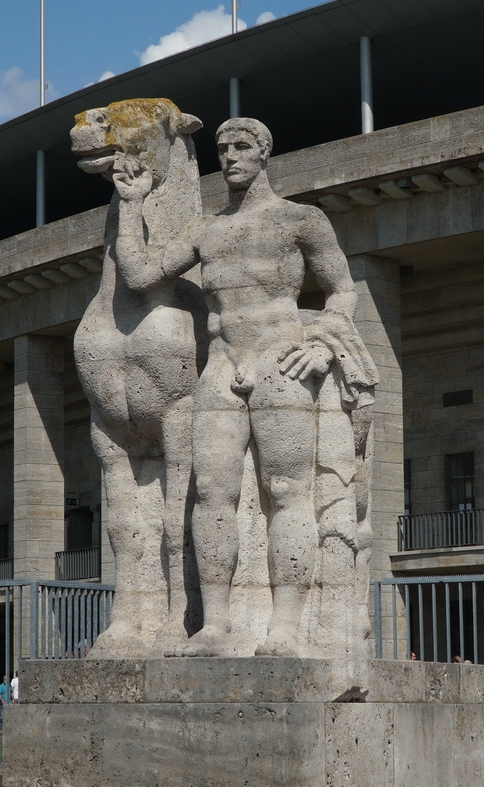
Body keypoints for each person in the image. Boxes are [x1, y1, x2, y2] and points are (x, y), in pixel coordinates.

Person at [114, 117, 377, 657]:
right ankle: (215, 626)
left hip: (281, 362)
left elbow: (342, 291)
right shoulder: (208, 229)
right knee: (211, 496)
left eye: (241, 147)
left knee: (286, 493)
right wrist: (130, 205)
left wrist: (323, 344)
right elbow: (139, 275)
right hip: (222, 365)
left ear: (264, 152)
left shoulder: (300, 219)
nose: (230, 156)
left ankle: (283, 627)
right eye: (222, 148)